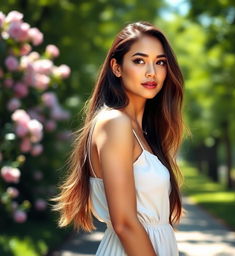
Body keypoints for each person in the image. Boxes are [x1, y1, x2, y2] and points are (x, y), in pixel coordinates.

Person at [51, 21, 185, 256]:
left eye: (160, 62)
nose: (151, 72)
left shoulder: (141, 132)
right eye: (139, 60)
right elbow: (124, 223)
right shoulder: (116, 123)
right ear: (117, 67)